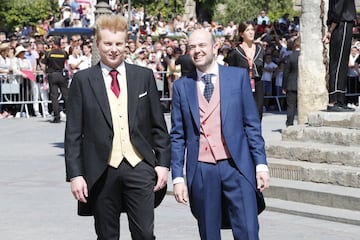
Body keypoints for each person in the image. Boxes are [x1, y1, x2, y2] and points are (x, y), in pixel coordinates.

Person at [64, 14, 170, 240]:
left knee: (144, 233)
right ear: (98, 44)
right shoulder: (83, 80)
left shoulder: (143, 77)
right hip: (102, 170)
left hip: (139, 166)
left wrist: (163, 165)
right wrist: (76, 174)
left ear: (126, 44)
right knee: (106, 235)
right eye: (108, 44)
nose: (113, 49)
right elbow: (73, 133)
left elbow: (158, 126)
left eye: (119, 44)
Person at [170, 29, 270, 240]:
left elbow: (252, 125)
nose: (197, 51)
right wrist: (178, 177)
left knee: (249, 231)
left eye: (202, 45)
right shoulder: (181, 87)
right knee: (209, 233)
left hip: (237, 166)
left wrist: (261, 164)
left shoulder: (237, 77)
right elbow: (177, 136)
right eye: (192, 47)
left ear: (214, 47)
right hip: (203, 169)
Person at [225, 21, 265, 120]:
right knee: (243, 115)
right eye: (247, 30)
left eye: (252, 30)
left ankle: (256, 135)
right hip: (241, 86)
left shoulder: (260, 49)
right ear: (242, 34)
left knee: (258, 114)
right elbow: (231, 73)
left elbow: (261, 67)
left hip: (257, 84)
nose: (251, 32)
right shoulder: (235, 52)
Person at [323, 0, 356, 112]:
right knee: (338, 64)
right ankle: (335, 100)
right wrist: (330, 30)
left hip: (341, 24)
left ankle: (340, 100)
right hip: (342, 24)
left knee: (341, 64)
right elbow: (337, 10)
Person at [41, 36, 69, 123]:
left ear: (53, 44)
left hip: (52, 75)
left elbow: (42, 65)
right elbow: (66, 63)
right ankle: (71, 115)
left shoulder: (48, 53)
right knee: (66, 95)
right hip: (62, 74)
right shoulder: (64, 53)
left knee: (54, 96)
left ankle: (57, 117)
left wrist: (46, 72)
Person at [282, 38, 300, 126]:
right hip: (302, 84)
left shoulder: (291, 56)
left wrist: (284, 86)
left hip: (291, 84)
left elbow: (286, 72)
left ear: (294, 45)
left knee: (291, 106)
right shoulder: (304, 56)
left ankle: (289, 124)